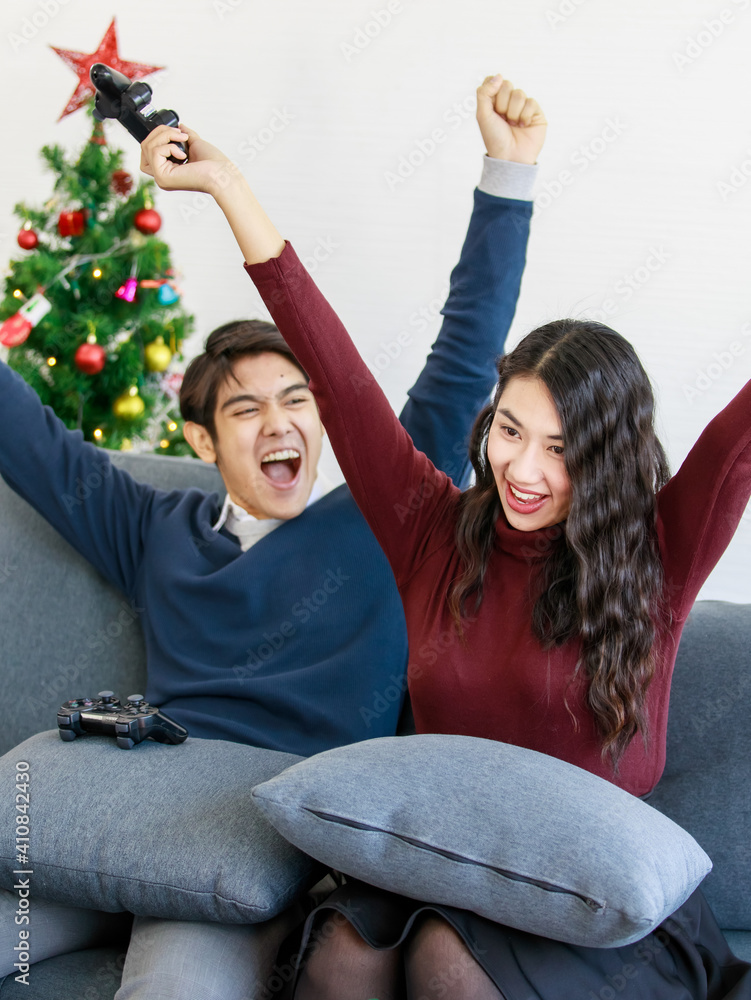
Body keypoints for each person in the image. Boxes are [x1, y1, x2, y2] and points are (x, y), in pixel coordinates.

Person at [140, 75, 751, 999]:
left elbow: (737, 440)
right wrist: (231, 190)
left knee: (440, 961)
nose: (526, 470)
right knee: (345, 956)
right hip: (434, 868)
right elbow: (338, 377)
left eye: (563, 449)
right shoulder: (435, 530)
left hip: (590, 902)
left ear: (612, 460)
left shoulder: (654, 548)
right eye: (510, 431)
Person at [0, 77, 542, 999]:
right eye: (247, 410)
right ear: (203, 442)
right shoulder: (149, 526)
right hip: (119, 815)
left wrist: (509, 173)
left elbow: (462, 357)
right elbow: (28, 441)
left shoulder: (389, 511)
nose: (280, 423)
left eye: (298, 402)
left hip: (252, 844)